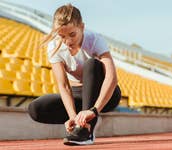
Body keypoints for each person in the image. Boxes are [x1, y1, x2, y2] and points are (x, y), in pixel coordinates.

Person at [28, 3, 121, 145]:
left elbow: (112, 77)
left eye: (72, 34)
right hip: (78, 95)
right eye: (62, 36)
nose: (68, 41)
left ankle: (86, 131)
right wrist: (72, 116)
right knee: (35, 109)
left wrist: (94, 110)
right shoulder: (54, 47)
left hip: (106, 94)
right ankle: (81, 122)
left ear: (82, 27)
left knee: (92, 64)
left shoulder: (95, 40)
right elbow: (64, 85)